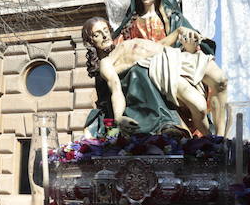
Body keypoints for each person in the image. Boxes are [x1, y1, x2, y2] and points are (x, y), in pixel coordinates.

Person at [82, 17, 228, 138]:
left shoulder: (125, 43)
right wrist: (119, 117)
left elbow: (160, 44)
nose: (105, 35)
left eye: (106, 30)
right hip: (161, 66)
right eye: (97, 34)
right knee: (200, 107)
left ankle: (222, 138)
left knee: (221, 81)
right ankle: (212, 140)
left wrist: (179, 31)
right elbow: (115, 88)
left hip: (176, 56)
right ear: (90, 41)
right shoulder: (106, 63)